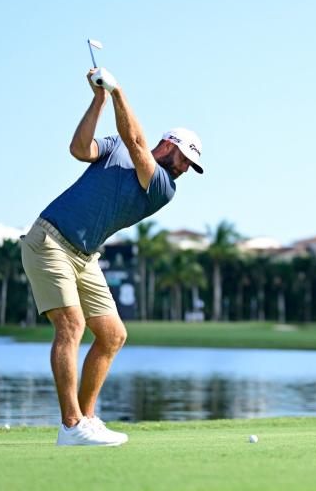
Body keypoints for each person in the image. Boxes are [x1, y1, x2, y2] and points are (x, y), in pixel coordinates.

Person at [20, 68, 204, 446]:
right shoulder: (117, 148)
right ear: (169, 145)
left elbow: (135, 140)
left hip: (85, 256)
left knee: (112, 335)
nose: (186, 169)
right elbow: (80, 149)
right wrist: (99, 99)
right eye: (186, 159)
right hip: (49, 240)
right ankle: (72, 425)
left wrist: (117, 91)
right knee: (70, 325)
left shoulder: (163, 187)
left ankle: (85, 418)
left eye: (190, 165)